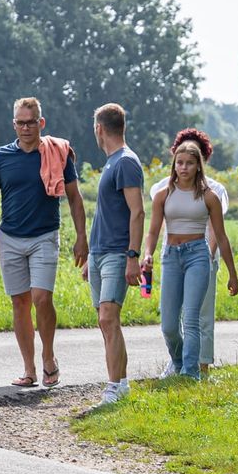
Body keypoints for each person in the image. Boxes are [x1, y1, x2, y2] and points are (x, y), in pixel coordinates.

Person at [0, 98, 88, 388]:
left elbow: (75, 198)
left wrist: (81, 237)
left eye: (31, 122)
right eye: (20, 122)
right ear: (13, 124)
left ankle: (48, 356)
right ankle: (29, 370)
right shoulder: (0, 157)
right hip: (10, 238)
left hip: (44, 236)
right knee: (20, 302)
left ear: (41, 123)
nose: (25, 128)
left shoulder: (56, 154)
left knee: (41, 298)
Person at [143, 138, 238, 378]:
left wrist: (232, 273)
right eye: (180, 163)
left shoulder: (209, 197)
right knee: (168, 325)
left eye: (189, 163)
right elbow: (153, 231)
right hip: (171, 257)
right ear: (174, 165)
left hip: (198, 255)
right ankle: (178, 363)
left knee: (191, 318)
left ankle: (190, 373)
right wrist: (147, 254)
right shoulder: (163, 195)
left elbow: (221, 236)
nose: (184, 167)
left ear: (198, 166)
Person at [87, 103, 145, 404]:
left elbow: (138, 212)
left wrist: (132, 256)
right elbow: (106, 214)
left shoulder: (126, 162)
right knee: (105, 321)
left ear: (99, 128)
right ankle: (120, 385)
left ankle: (113, 387)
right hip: (100, 253)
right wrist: (91, 255)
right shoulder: (112, 162)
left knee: (109, 317)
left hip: (117, 253)